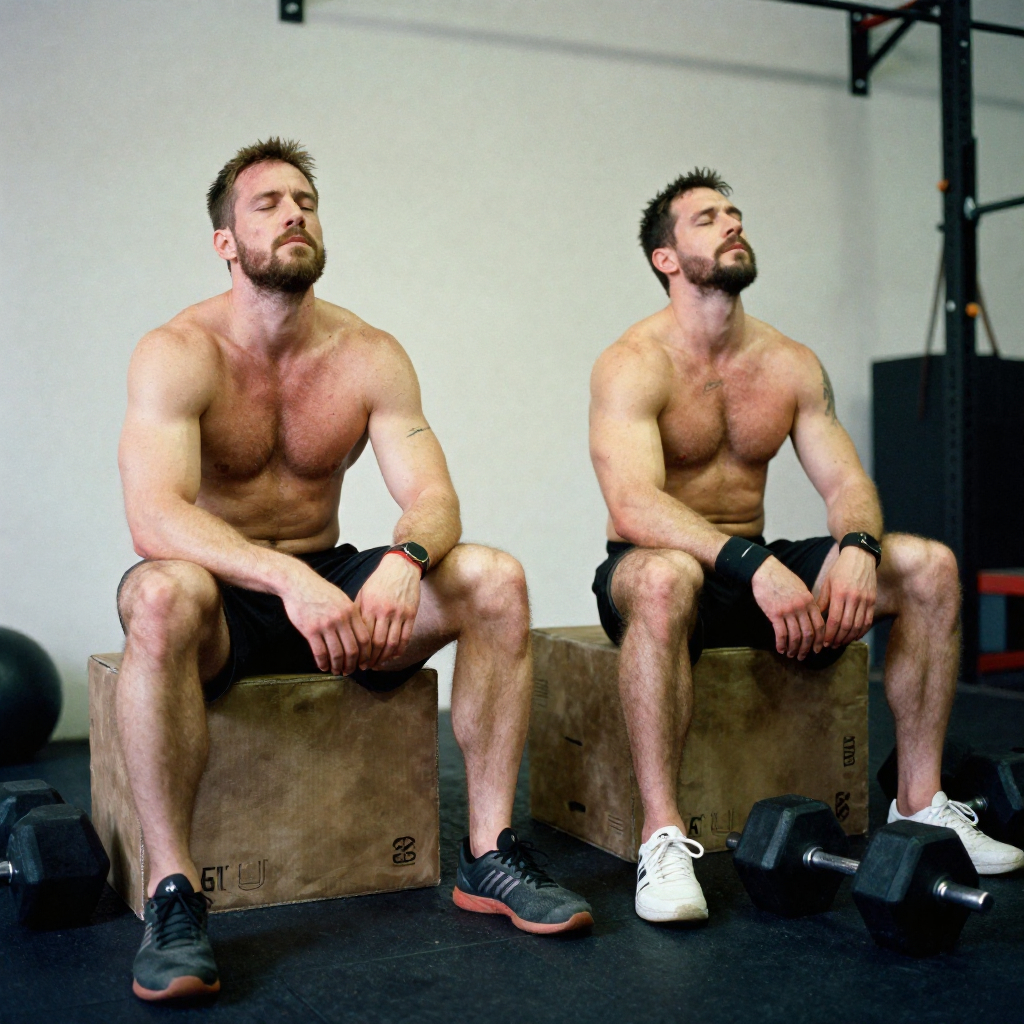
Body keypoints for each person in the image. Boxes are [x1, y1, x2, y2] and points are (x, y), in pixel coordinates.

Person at [117, 138, 592, 1003]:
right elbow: (154, 517)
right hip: (226, 600)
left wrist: (407, 557)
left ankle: (489, 853)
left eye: (305, 200)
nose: (293, 213)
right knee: (157, 593)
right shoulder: (177, 351)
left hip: (335, 591)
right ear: (226, 241)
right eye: (267, 204)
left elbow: (434, 497)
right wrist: (284, 579)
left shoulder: (367, 352)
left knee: (494, 579)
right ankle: (173, 894)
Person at [588, 167, 1024, 926]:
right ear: (666, 258)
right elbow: (633, 505)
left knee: (929, 567)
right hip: (663, 567)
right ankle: (663, 837)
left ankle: (921, 805)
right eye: (706, 219)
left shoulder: (788, 362)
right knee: (662, 580)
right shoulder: (633, 362)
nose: (731, 224)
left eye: (735, 212)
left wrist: (856, 544)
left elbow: (847, 482)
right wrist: (754, 566)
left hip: (757, 570)